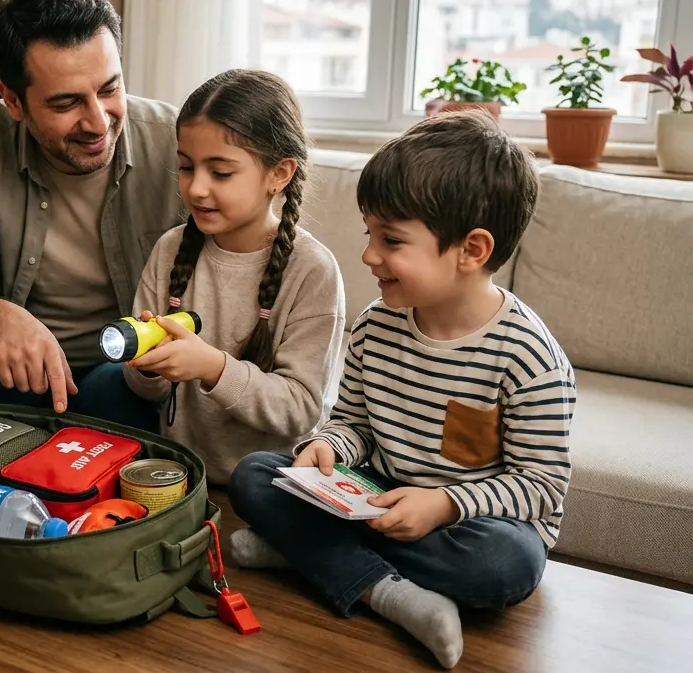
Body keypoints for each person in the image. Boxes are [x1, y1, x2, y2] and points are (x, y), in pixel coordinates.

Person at [226, 110, 576, 670]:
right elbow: (355, 424)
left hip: (467, 524)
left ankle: (310, 555)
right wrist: (328, 447)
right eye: (370, 233)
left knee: (505, 565)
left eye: (391, 240)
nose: (369, 255)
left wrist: (444, 504)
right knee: (255, 475)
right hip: (378, 499)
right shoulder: (375, 326)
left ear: (472, 250)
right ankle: (388, 592)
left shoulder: (528, 357)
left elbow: (541, 486)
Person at [0, 0, 182, 426]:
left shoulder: (175, 141)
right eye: (66, 104)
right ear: (13, 101)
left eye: (109, 89)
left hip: (131, 371)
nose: (98, 122)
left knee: (112, 392)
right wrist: (1, 317)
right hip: (21, 368)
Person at [119, 69, 346, 473]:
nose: (196, 188)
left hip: (270, 474)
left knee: (252, 479)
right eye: (186, 167)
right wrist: (148, 366)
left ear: (279, 174)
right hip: (184, 466)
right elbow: (147, 392)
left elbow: (300, 410)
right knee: (105, 386)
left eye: (220, 172)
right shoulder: (171, 248)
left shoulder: (313, 269)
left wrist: (213, 367)